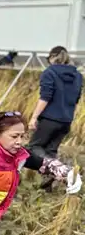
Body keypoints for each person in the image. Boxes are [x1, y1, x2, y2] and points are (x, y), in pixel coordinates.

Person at [27, 46, 83, 191]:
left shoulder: (49, 72)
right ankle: (48, 186)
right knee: (50, 151)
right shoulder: (77, 76)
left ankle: (61, 169)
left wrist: (34, 117)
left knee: (34, 147)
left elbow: (45, 97)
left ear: (53, 57)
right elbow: (76, 99)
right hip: (66, 121)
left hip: (50, 119)